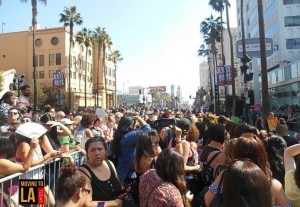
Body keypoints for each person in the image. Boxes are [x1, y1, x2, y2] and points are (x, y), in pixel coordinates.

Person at [79, 137, 123, 207]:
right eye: (92, 150)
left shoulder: (110, 164)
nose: (97, 153)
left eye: (100, 149)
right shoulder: (83, 172)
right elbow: (88, 204)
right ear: (87, 153)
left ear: (105, 151)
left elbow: (119, 186)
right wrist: (113, 203)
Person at [112, 114, 151, 182]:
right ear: (130, 125)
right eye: (134, 124)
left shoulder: (119, 134)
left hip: (120, 171)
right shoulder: (129, 136)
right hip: (127, 175)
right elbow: (148, 130)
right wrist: (139, 119)